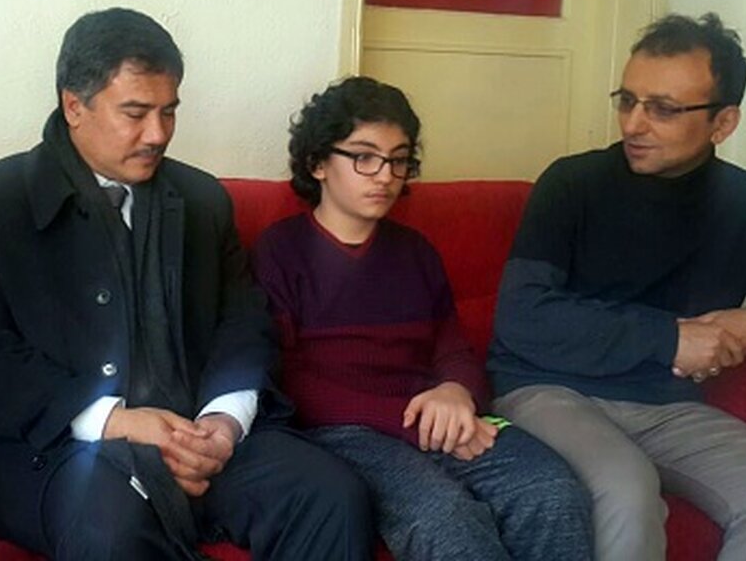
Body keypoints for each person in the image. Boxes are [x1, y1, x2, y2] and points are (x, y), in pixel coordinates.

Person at [0, 7, 374, 560]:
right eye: (135, 113)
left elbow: (244, 323)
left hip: (193, 431)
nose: (157, 134)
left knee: (330, 495)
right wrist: (115, 421)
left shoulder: (203, 201)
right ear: (74, 105)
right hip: (52, 445)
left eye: (169, 112)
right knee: (108, 524)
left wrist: (223, 423)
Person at [486, 13, 746, 561]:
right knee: (625, 487)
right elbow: (523, 316)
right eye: (627, 101)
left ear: (723, 122)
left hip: (669, 409)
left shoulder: (745, 202)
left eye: (662, 109)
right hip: (549, 391)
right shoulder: (571, 184)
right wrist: (670, 339)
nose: (633, 124)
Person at [251, 76, 593, 561]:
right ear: (318, 163)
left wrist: (456, 392)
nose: (385, 176)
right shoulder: (280, 251)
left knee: (552, 490)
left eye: (398, 159)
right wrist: (408, 421)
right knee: (444, 519)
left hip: (438, 417)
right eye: (365, 157)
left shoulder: (415, 252)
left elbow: (454, 348)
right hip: (343, 432)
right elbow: (287, 380)